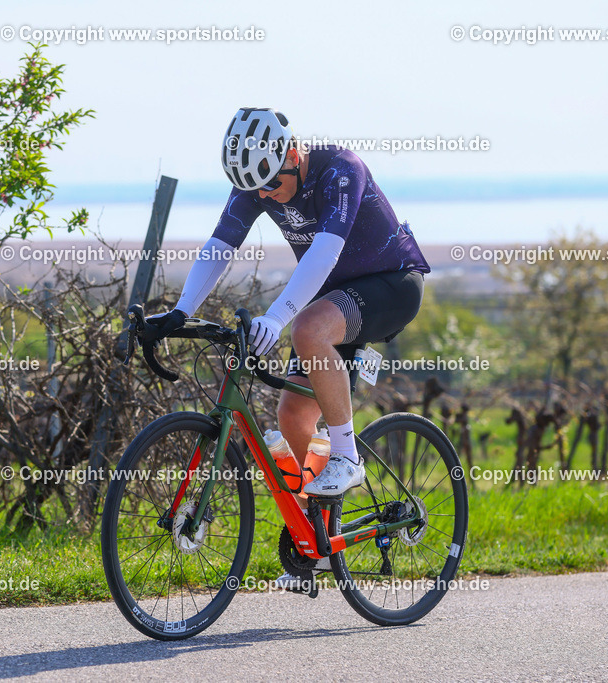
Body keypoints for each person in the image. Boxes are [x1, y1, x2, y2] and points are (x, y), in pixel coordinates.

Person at [148, 107, 430, 587]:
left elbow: (325, 252)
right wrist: (180, 311)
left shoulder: (341, 170)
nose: (264, 196)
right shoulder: (259, 179)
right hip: (333, 297)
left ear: (293, 154)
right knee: (293, 416)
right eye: (255, 189)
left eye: (272, 186)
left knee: (307, 329)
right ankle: (318, 543)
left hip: (392, 284)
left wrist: (277, 317)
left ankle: (346, 458)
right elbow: (221, 245)